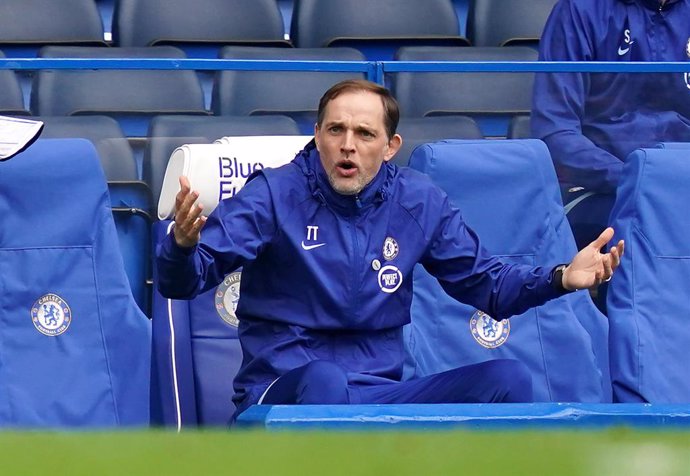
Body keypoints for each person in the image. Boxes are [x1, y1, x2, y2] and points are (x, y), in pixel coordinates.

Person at [156, 79, 624, 423]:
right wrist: (181, 245)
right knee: (324, 380)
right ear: (316, 135)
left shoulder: (418, 202)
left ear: (390, 146)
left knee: (510, 382)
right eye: (335, 130)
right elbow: (184, 281)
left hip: (379, 397)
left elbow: (490, 287)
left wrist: (562, 276)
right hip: (280, 398)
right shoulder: (274, 194)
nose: (347, 145)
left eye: (364, 134)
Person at [532, 0, 690, 251]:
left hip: (682, 185)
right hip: (598, 191)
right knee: (653, 223)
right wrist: (635, 178)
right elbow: (555, 132)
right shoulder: (580, 9)